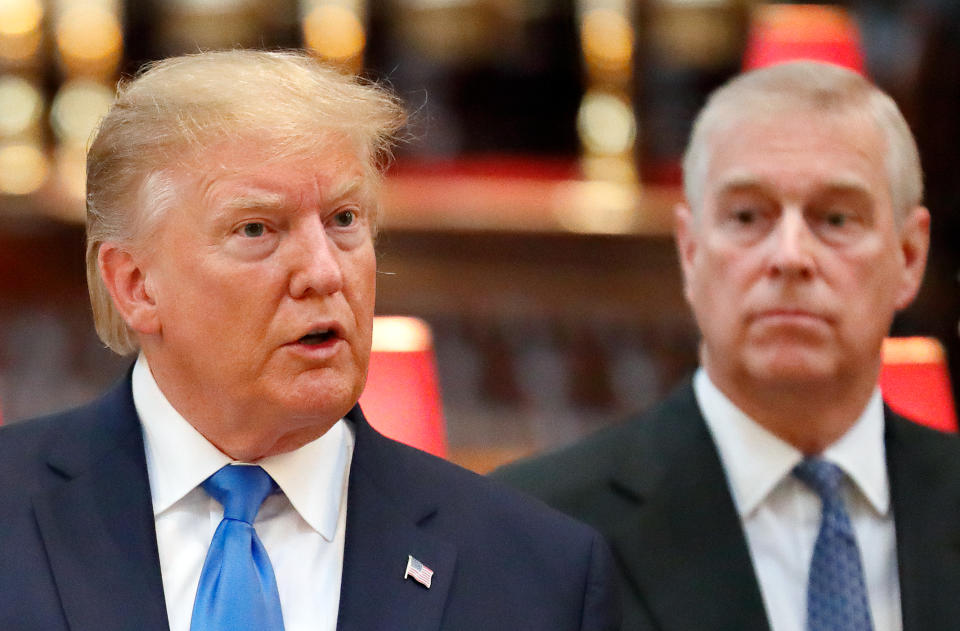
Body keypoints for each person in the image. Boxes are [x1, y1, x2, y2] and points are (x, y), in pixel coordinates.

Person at [0, 50, 618, 631]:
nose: (324, 272)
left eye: (344, 220)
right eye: (256, 229)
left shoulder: (538, 572)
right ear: (135, 285)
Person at [495, 60, 960, 631]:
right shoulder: (536, 527)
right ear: (690, 253)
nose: (790, 256)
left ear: (909, 257)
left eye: (836, 218)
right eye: (747, 216)